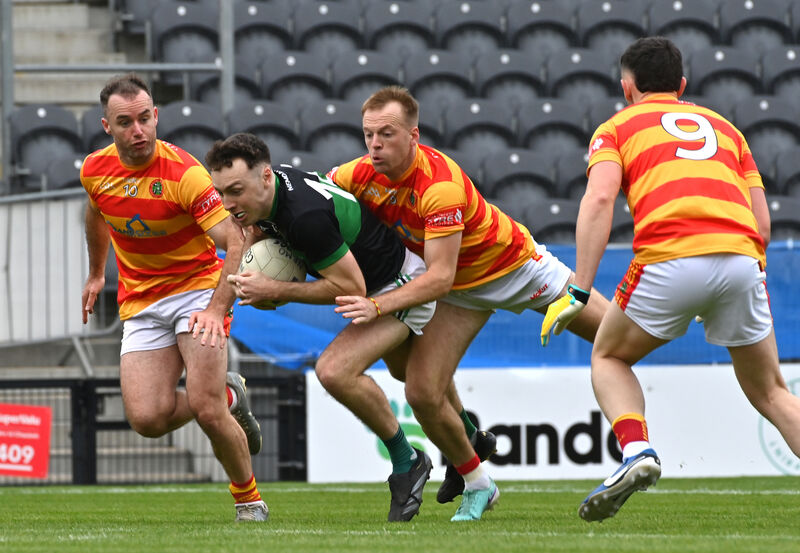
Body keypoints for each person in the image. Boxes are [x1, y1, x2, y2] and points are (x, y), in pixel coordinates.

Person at [540, 36, 800, 522]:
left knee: (609, 355)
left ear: (627, 87)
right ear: (682, 86)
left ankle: (636, 451)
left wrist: (579, 287)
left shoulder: (616, 128)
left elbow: (598, 202)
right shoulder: (727, 130)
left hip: (669, 256)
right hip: (742, 257)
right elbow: (762, 224)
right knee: (772, 392)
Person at [329, 86, 610, 521]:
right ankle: (480, 481)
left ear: (414, 135)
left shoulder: (438, 185)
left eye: (386, 133)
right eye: (368, 135)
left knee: (620, 335)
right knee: (420, 390)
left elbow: (438, 276)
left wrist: (379, 307)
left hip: (516, 270)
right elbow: (316, 197)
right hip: (459, 293)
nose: (375, 145)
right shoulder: (359, 174)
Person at [206, 132, 441, 522]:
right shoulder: (273, 190)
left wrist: (275, 287)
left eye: (236, 191)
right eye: (221, 193)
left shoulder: (305, 218)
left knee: (335, 371)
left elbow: (352, 289)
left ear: (265, 178)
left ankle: (407, 460)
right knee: (416, 378)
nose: (228, 204)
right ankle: (470, 443)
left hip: (400, 285)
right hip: (376, 280)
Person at [80, 74, 267, 522]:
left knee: (203, 406)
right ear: (108, 127)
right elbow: (96, 215)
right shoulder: (94, 170)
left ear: (156, 116)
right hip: (142, 301)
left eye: (145, 118)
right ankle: (231, 396)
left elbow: (236, 241)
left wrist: (216, 308)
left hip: (196, 291)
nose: (138, 130)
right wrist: (93, 275)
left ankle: (249, 502)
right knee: (147, 419)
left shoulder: (184, 174)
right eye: (125, 122)